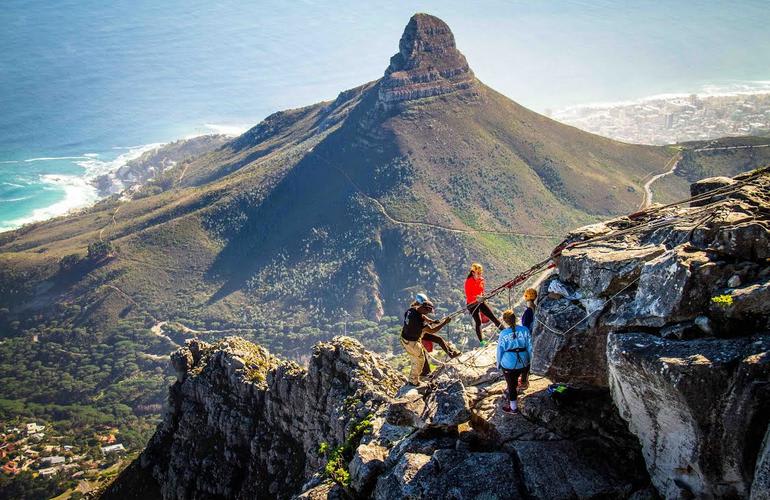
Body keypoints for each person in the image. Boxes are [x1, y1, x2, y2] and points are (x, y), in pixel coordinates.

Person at [401, 294, 452, 386]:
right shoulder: (419, 320)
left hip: (405, 339)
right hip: (412, 342)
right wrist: (444, 323)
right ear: (424, 309)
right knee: (420, 360)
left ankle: (414, 378)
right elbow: (432, 330)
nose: (427, 314)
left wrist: (432, 321)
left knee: (415, 359)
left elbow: (422, 316)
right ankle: (414, 381)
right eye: (428, 312)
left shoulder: (411, 310)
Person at [496, 309, 533, 414]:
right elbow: (530, 347)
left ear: (505, 321)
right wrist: (530, 361)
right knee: (521, 372)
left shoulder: (503, 333)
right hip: (524, 361)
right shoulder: (525, 330)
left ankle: (513, 408)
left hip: (509, 364)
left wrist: (498, 364)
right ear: (515, 319)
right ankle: (524, 381)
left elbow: (500, 350)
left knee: (511, 385)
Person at [464, 263, 503, 346]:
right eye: (478, 273)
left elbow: (481, 291)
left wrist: (482, 297)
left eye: (481, 273)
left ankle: (505, 331)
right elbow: (469, 295)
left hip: (480, 301)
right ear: (473, 273)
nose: (480, 274)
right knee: (478, 322)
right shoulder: (469, 281)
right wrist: (477, 297)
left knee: (493, 317)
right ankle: (482, 342)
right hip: (472, 304)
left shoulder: (481, 280)